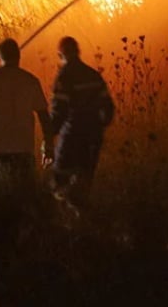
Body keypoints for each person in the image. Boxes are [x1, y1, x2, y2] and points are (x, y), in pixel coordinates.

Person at [0, 38, 53, 212]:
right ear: (19, 56)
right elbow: (44, 116)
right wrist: (48, 146)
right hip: (24, 152)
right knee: (24, 204)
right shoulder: (30, 81)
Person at [46, 36, 115, 212]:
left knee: (59, 180)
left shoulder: (64, 77)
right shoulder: (93, 75)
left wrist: (48, 135)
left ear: (60, 54)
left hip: (71, 137)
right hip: (93, 137)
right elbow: (108, 107)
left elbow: (58, 112)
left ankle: (70, 214)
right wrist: (99, 126)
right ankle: (82, 215)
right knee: (84, 180)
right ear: (78, 52)